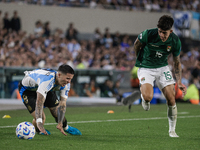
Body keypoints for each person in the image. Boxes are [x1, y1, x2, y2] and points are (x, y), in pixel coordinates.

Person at [122, 15, 186, 137]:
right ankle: (144, 97)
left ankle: (172, 130)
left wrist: (179, 81)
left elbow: (177, 62)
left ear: (171, 31)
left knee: (171, 99)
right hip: (146, 68)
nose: (162, 35)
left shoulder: (175, 41)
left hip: (163, 68)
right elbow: (136, 45)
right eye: (160, 32)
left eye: (164, 33)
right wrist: (140, 60)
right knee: (147, 97)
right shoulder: (148, 34)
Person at [18, 64, 82, 136]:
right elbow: (39, 102)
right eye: (67, 78)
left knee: (57, 113)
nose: (69, 82)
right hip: (27, 91)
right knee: (41, 118)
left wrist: (60, 122)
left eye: (70, 79)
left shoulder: (66, 84)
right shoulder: (47, 81)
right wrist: (39, 122)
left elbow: (63, 103)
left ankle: (66, 128)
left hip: (48, 89)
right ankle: (38, 129)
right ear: (59, 75)